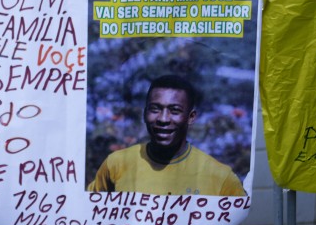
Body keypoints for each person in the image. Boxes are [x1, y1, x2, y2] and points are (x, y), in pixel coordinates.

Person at [89, 74, 247, 196]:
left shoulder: (220, 177)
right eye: (155, 109)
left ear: (191, 117)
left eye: (175, 111)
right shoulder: (116, 164)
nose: (163, 119)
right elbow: (90, 210)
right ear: (145, 114)